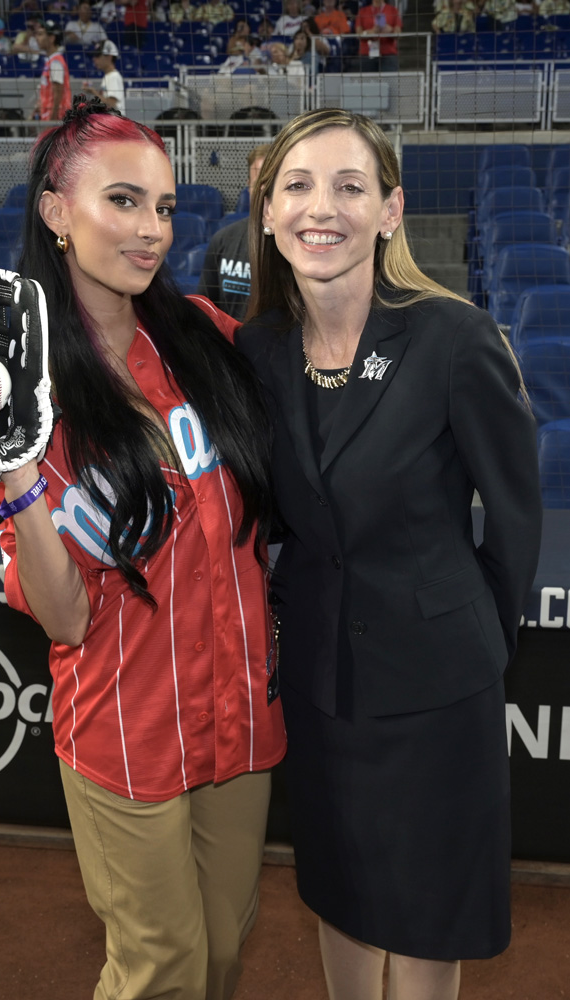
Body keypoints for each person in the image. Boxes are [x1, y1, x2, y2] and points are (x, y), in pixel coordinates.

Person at [236, 108, 542, 1000]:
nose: (318, 208)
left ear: (390, 210)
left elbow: (514, 520)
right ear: (266, 212)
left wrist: (474, 631)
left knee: (422, 910)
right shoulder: (255, 351)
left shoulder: (452, 337)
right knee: (339, 893)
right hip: (322, 688)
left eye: (347, 186)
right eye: (295, 185)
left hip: (438, 689)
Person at [0, 96, 286, 1000]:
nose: (151, 229)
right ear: (55, 213)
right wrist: (9, 467)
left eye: (162, 206)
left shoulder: (204, 336)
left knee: (224, 955)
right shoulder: (18, 388)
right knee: (162, 972)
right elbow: (65, 612)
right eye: (122, 202)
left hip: (237, 722)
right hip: (126, 729)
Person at [197, 143, 270, 320]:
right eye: (258, 182)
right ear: (248, 187)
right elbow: (206, 310)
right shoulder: (223, 240)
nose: (264, 190)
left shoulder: (300, 245)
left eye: (271, 182)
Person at [34, 20, 72, 121]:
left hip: (57, 119)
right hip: (50, 117)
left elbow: (58, 94)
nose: (37, 38)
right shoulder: (51, 61)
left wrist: (52, 120)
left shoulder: (56, 62)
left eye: (41, 34)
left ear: (51, 38)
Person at [355, 0, 402, 72]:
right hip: (367, 53)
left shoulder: (393, 10)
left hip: (388, 53)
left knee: (389, 82)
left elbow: (398, 33)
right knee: (368, 82)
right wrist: (370, 32)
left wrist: (390, 30)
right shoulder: (362, 11)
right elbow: (358, 34)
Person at [84, 38, 125, 113]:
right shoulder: (108, 76)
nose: (94, 59)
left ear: (109, 56)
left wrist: (94, 92)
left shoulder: (114, 76)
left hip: (115, 123)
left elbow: (111, 104)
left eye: (98, 55)